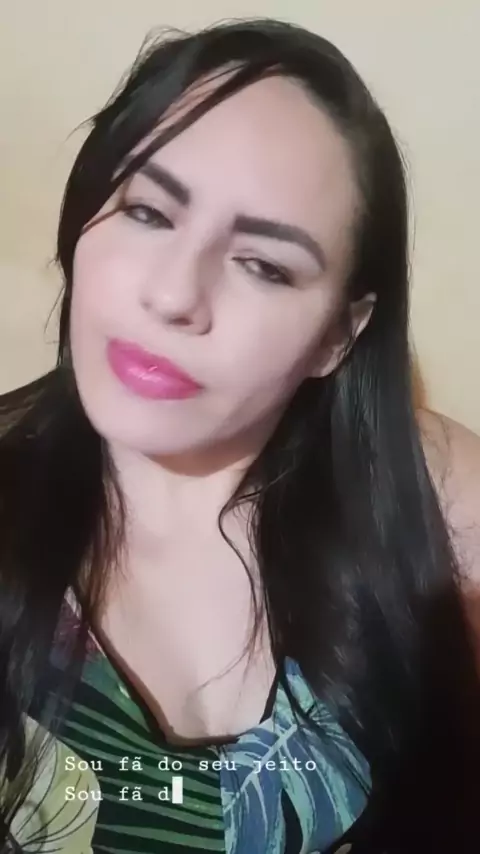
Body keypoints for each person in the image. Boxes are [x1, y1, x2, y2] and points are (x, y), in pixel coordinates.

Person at [0, 17, 480, 854]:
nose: (175, 295)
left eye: (263, 264)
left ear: (339, 335)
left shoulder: (417, 518)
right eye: (148, 212)